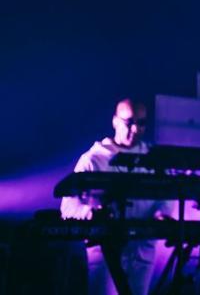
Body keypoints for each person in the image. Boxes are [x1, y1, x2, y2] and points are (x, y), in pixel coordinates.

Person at [60, 99, 172, 295]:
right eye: (129, 122)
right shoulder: (93, 159)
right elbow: (68, 206)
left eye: (141, 123)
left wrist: (161, 214)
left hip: (142, 249)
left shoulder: (153, 158)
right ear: (115, 121)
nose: (135, 129)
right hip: (105, 250)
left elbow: (166, 196)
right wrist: (91, 213)